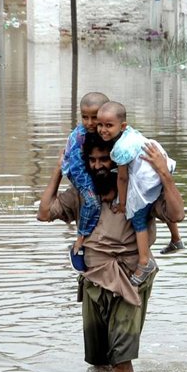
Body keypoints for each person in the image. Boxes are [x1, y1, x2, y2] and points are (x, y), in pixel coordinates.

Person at [37, 132, 185, 372]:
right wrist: (58, 171)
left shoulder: (138, 191)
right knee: (98, 363)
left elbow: (177, 214)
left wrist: (164, 175)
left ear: (116, 161)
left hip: (130, 280)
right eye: (92, 161)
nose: (98, 166)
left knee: (121, 359)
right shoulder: (82, 193)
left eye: (104, 159)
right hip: (94, 281)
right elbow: (43, 213)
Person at [95, 101, 184, 285]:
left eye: (108, 125)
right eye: (100, 125)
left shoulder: (120, 148)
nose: (103, 130)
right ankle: (176, 238)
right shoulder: (131, 134)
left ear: (122, 126)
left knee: (137, 216)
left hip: (150, 174)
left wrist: (123, 203)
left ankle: (144, 262)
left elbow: (122, 179)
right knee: (159, 197)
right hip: (159, 162)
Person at [61, 92, 109, 262]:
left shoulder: (106, 130)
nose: (89, 123)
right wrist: (90, 187)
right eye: (85, 117)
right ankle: (80, 240)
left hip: (89, 169)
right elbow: (75, 167)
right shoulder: (79, 136)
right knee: (92, 202)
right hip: (77, 172)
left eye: (94, 118)